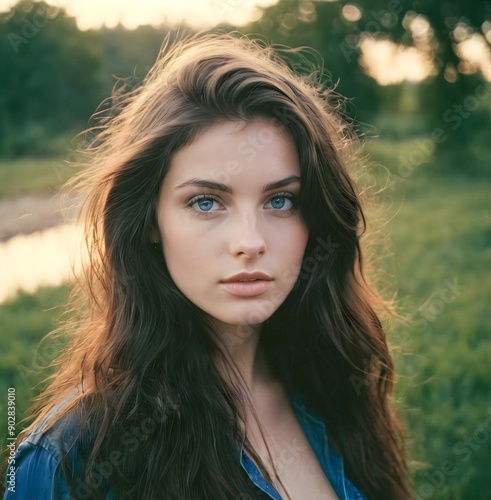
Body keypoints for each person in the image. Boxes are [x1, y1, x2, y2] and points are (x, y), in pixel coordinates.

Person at [4, 33, 410, 499]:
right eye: (205, 202)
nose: (249, 242)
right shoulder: (66, 459)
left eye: (280, 200)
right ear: (151, 220)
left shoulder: (336, 377)